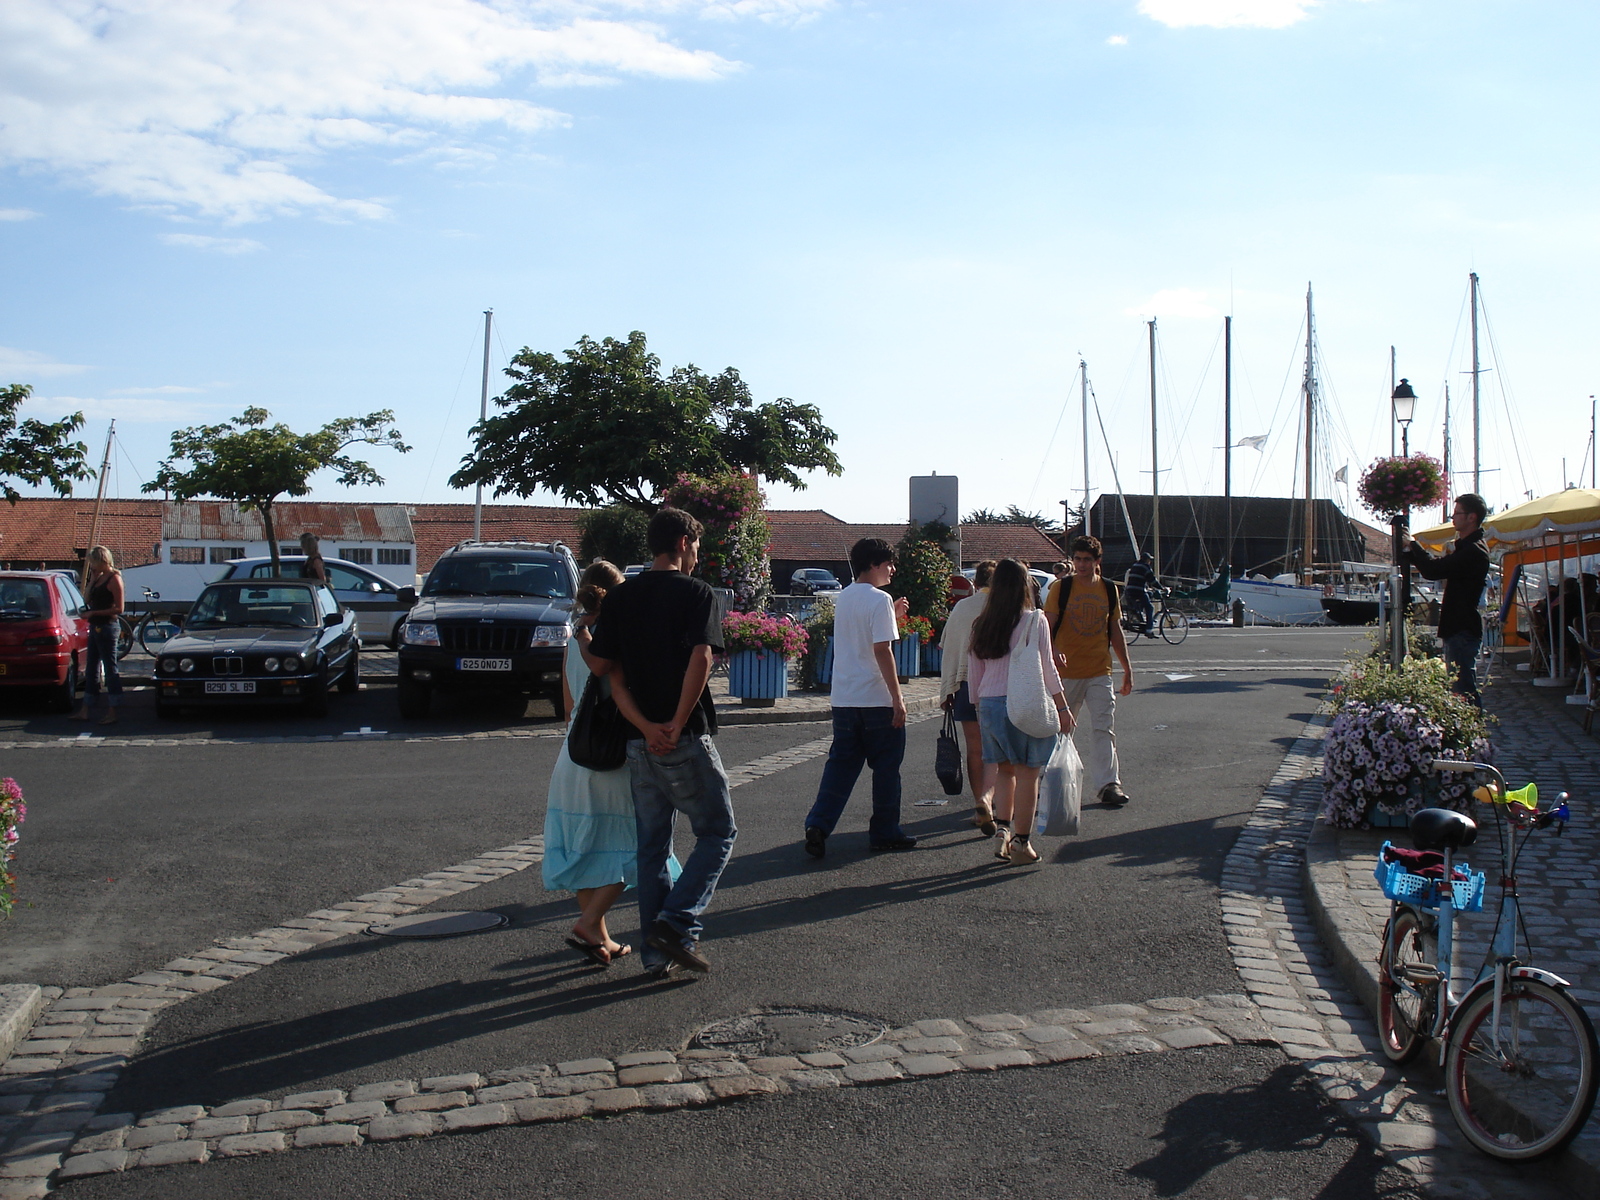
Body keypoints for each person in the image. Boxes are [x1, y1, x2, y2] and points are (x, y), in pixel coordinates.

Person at [588, 508, 734, 979]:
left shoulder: (621, 598)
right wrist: (675, 721)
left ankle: (656, 956)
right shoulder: (697, 593)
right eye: (697, 545)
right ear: (682, 541)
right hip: (685, 738)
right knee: (717, 832)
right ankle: (677, 921)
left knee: (651, 847)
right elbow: (702, 656)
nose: (698, 555)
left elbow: (608, 673)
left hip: (638, 742)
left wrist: (647, 728)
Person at [542, 562, 678, 968]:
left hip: (574, 754)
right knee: (638, 842)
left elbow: (568, 705)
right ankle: (589, 922)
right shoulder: (621, 636)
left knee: (584, 845)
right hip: (613, 753)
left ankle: (599, 939)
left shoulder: (574, 638)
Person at [803, 538, 918, 856]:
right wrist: (898, 697)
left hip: (844, 696)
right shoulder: (880, 599)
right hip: (875, 699)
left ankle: (818, 824)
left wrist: (892, 613)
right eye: (889, 564)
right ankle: (884, 830)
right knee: (886, 768)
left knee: (840, 766)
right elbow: (882, 649)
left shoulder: (846, 597)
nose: (892, 569)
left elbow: (861, 635)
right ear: (874, 565)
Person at [966, 558, 1073, 865]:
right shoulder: (1034, 620)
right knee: (1028, 774)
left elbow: (974, 671)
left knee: (1003, 770)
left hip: (988, 703)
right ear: (1025, 586)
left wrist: (977, 706)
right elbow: (1047, 668)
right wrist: (1062, 706)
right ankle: (1021, 843)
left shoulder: (982, 624)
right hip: (1023, 702)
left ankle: (1002, 829)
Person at [1043, 536, 1135, 806]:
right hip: (1066, 671)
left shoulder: (1108, 589)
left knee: (1104, 727)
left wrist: (1127, 668)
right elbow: (1046, 626)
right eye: (1078, 559)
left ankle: (1108, 784)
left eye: (1087, 560)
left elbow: (1115, 630)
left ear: (1097, 562)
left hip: (1098, 669)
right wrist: (1050, 651)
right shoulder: (1062, 587)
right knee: (1061, 729)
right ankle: (1054, 780)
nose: (1081, 565)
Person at [1402, 494, 1491, 705]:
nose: (1453, 517)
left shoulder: (1474, 550)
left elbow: (1435, 570)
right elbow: (1434, 569)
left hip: (1462, 627)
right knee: (1458, 685)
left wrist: (1414, 545)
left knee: (1463, 687)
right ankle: (1469, 726)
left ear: (1472, 517)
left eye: (1457, 513)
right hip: (1458, 626)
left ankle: (1472, 729)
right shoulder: (1467, 547)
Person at [939, 559, 998, 834]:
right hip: (997, 686)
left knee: (975, 748)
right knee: (999, 748)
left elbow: (947, 645)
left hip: (963, 684)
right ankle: (994, 799)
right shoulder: (1004, 607)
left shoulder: (962, 607)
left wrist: (947, 688)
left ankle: (979, 804)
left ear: (976, 583)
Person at [73, 546, 124, 725]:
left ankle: (113, 710)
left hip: (108, 627)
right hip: (95, 627)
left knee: (110, 669)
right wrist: (92, 580)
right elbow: (86, 599)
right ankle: (86, 709)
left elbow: (119, 608)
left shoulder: (114, 579)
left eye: (93, 562)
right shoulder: (99, 578)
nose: (92, 566)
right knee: (91, 668)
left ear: (101, 560)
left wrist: (94, 614)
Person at [1124, 552, 1158, 635]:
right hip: (1138, 591)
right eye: (1149, 560)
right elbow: (1152, 581)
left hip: (1129, 590)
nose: (1150, 562)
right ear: (1147, 560)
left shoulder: (1134, 566)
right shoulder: (1146, 567)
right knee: (1150, 608)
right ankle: (1149, 629)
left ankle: (1139, 614)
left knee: (1148, 595)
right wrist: (1162, 588)